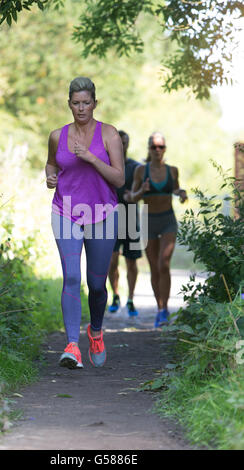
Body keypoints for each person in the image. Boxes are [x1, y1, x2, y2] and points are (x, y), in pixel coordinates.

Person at [45, 77, 124, 369]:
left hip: (102, 213)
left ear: (95, 103)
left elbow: (119, 179)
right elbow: (52, 164)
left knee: (96, 284)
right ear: (69, 104)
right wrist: (50, 177)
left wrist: (91, 158)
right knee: (71, 277)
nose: (81, 108)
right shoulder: (57, 136)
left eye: (86, 103)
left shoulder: (109, 135)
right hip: (65, 211)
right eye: (76, 103)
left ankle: (96, 331)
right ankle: (72, 345)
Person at [129, 132, 187, 328]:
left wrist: (182, 193)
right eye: (154, 147)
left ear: (165, 149)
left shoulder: (172, 171)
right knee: (154, 267)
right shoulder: (140, 171)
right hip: (148, 221)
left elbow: (176, 189)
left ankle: (165, 309)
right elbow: (131, 197)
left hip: (168, 220)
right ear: (148, 148)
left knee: (164, 263)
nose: (157, 150)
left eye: (160, 147)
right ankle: (160, 308)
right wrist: (141, 191)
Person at [108, 131, 142, 317]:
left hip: (130, 217)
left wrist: (135, 196)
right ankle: (115, 295)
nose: (122, 145)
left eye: (125, 142)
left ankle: (130, 299)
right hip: (110, 218)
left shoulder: (136, 167)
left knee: (131, 262)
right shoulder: (105, 165)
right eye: (119, 142)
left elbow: (143, 191)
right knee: (111, 261)